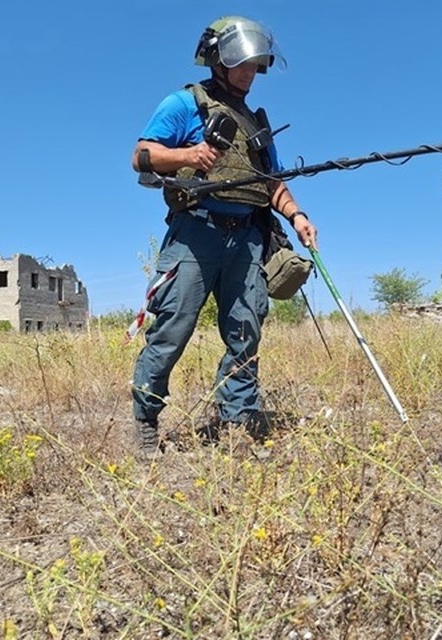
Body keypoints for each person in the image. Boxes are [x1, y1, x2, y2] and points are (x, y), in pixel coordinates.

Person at [129, 16, 318, 458]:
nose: (249, 73)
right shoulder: (184, 103)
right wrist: (187, 154)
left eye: (255, 65)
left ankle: (237, 424)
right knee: (172, 328)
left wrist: (298, 216)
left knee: (246, 330)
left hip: (248, 238)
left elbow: (272, 182)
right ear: (217, 59)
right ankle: (146, 421)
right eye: (241, 64)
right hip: (196, 233)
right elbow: (141, 156)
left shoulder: (255, 122)